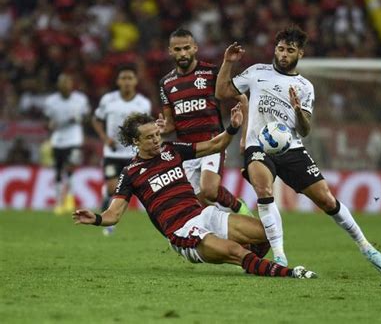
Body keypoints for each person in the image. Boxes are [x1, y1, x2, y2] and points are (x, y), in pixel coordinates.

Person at [215, 25, 381, 275]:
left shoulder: (305, 87)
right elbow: (221, 92)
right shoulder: (256, 73)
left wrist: (299, 112)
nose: (283, 54)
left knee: (327, 200)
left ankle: (365, 246)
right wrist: (227, 62)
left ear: (300, 54)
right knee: (264, 190)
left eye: (290, 50)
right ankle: (280, 257)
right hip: (259, 145)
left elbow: (305, 130)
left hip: (292, 149)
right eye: (280, 49)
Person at [73, 109, 316, 279]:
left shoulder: (171, 150)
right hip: (184, 232)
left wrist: (232, 127)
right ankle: (289, 273)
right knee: (235, 251)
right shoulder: (131, 173)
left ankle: (252, 264)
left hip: (206, 215)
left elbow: (214, 145)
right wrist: (94, 218)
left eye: (157, 134)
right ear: (136, 141)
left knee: (267, 232)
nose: (156, 140)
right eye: (149, 138)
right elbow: (113, 215)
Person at [157, 28, 252, 216]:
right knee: (198, 205)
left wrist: (244, 137)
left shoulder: (210, 72)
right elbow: (170, 124)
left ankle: (239, 208)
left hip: (213, 142)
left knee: (209, 190)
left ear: (195, 48)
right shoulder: (166, 83)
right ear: (170, 51)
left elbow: (243, 99)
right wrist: (160, 128)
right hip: (188, 150)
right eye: (177, 49)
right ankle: (226, 233)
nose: (182, 53)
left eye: (186, 48)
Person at [92, 64, 152, 235]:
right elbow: (96, 120)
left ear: (135, 81)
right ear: (118, 81)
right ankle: (109, 219)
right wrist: (104, 138)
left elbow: (146, 126)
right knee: (112, 189)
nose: (127, 82)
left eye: (130, 78)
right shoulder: (108, 100)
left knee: (139, 189)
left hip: (134, 154)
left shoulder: (143, 103)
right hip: (112, 153)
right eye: (123, 78)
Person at [43, 73, 91, 215]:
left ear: (71, 84)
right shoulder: (51, 101)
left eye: (67, 82)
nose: (65, 85)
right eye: (62, 83)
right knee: (58, 170)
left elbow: (87, 117)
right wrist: (50, 125)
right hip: (58, 139)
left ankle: (69, 199)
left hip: (74, 139)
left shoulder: (80, 99)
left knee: (70, 168)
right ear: (58, 85)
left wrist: (80, 118)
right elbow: (46, 122)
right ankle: (58, 202)